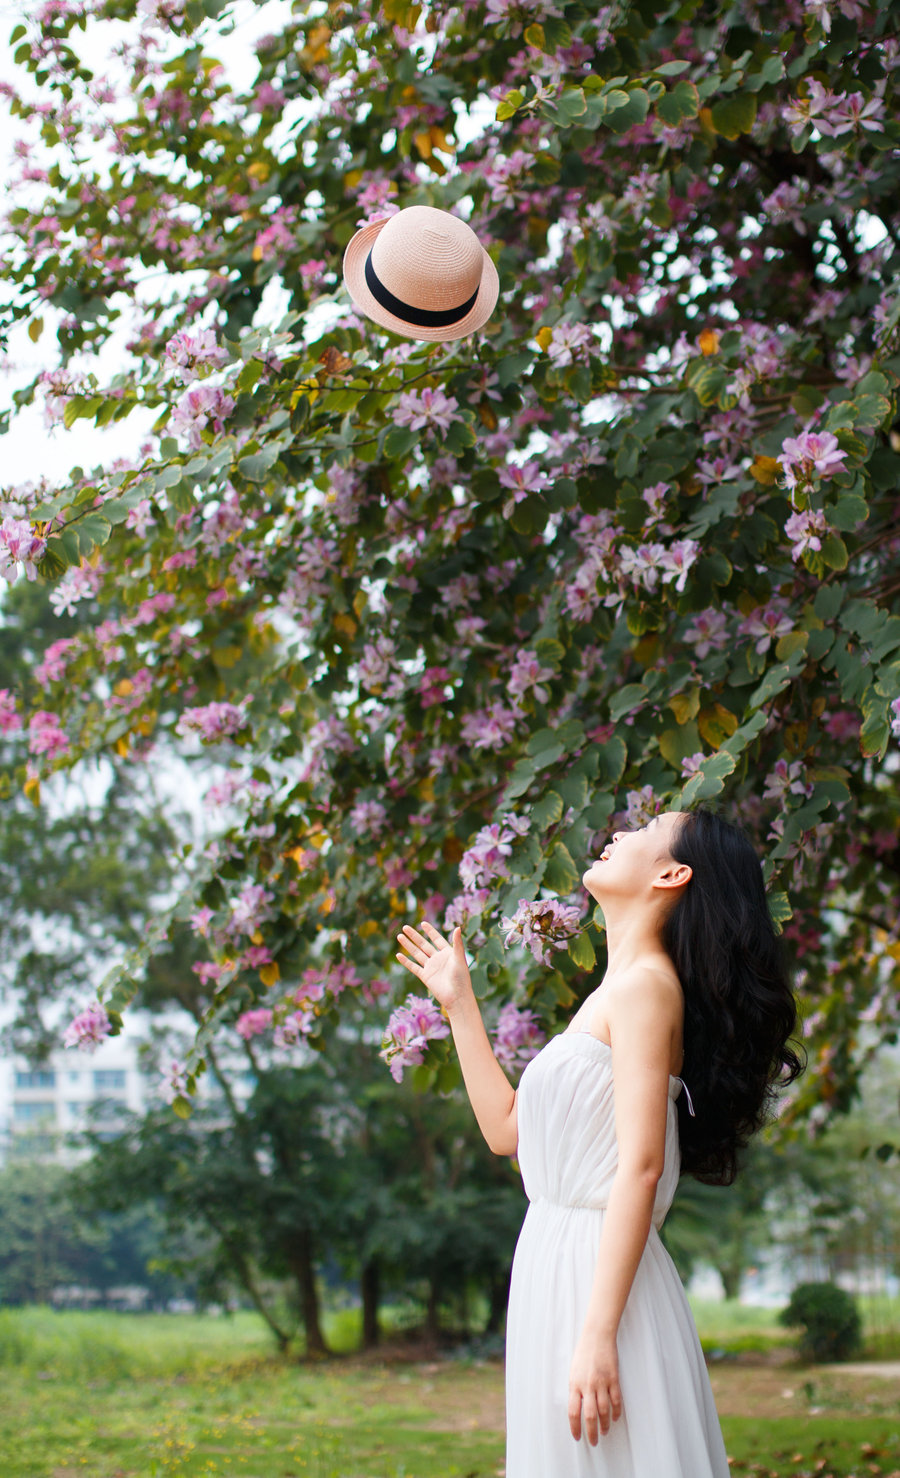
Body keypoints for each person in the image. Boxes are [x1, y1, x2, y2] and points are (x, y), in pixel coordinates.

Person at [396, 805, 802, 1477]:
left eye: (644, 831)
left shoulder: (645, 989)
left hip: (601, 1283)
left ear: (673, 873)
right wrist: (458, 1002)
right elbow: (507, 1132)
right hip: (555, 1267)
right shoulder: (612, 993)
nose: (619, 834)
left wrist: (598, 1333)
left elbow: (639, 1170)